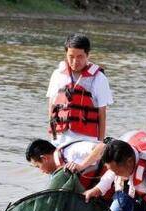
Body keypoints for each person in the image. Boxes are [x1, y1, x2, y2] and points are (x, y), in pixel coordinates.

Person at [47, 34, 113, 171]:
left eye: (80, 57)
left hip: (86, 140)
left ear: (87, 55)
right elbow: (52, 107)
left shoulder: (99, 79)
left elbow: (102, 114)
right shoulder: (58, 75)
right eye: (71, 56)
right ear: (66, 54)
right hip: (60, 139)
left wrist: (99, 142)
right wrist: (52, 137)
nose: (75, 61)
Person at [25, 138, 104, 189]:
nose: (41, 171)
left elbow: (102, 147)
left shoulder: (70, 151)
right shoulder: (55, 173)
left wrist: (81, 166)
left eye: (38, 166)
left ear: (44, 158)